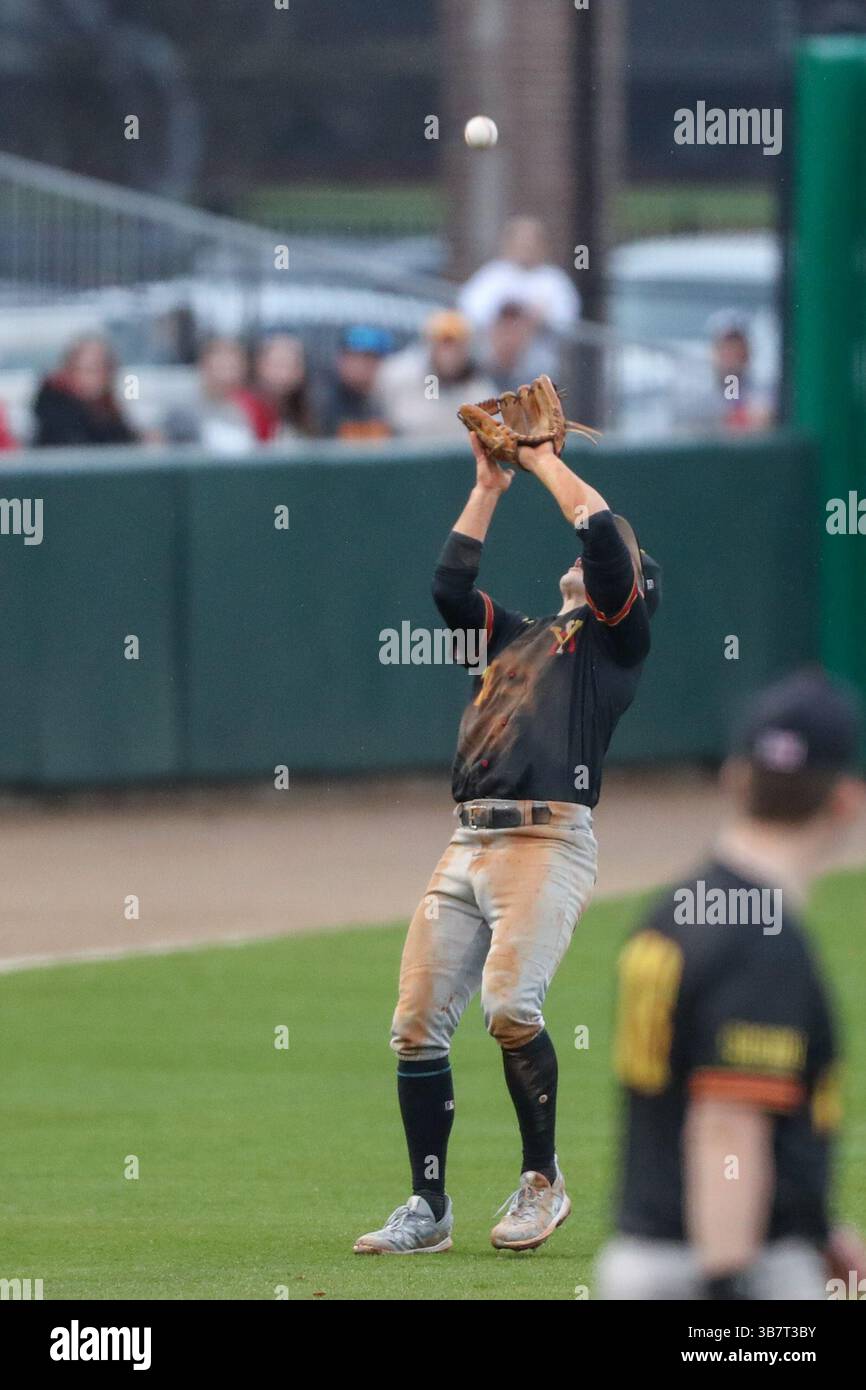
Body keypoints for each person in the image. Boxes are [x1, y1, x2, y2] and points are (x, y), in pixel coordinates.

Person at [354, 380, 660, 1255]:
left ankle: (541, 1182)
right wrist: (490, 485)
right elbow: (451, 589)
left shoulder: (613, 645)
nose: (593, 561)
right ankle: (429, 1208)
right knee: (416, 1022)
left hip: (546, 839)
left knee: (509, 1007)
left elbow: (602, 537)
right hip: (468, 840)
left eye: (614, 566)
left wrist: (542, 460)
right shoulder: (519, 634)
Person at [598, 669, 866, 1300]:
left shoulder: (676, 910)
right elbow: (727, 1129)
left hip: (646, 1254)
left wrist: (814, 1227)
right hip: (719, 1269)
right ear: (846, 801)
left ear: (736, 779)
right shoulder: (762, 942)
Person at [459, 216, 581, 379]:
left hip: (537, 374)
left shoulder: (553, 280)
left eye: (531, 243)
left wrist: (541, 318)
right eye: (520, 242)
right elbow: (469, 312)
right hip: (491, 369)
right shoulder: (492, 275)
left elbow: (568, 322)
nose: (525, 248)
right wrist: (504, 321)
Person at [377, 310, 497, 442]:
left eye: (456, 345)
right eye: (444, 344)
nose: (449, 353)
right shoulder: (397, 377)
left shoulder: (480, 392)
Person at [673, 312, 774, 435]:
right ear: (714, 352)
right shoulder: (692, 391)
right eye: (725, 349)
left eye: (737, 349)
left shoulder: (763, 392)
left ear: (747, 353)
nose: (731, 357)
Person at [33, 336, 139, 448]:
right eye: (90, 369)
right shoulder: (56, 412)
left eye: (104, 368)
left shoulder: (106, 409)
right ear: (70, 370)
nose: (99, 376)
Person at [163, 338, 259, 453]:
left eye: (233, 367)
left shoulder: (240, 411)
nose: (228, 375)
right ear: (205, 366)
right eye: (222, 367)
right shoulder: (183, 409)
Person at [319, 326, 393, 441]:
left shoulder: (392, 401)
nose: (358, 365)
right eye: (351, 356)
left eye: (368, 358)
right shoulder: (320, 401)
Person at [251, 334, 317, 441]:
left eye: (292, 365)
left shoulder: (306, 409)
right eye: (277, 364)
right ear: (260, 366)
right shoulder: (244, 411)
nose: (284, 374)